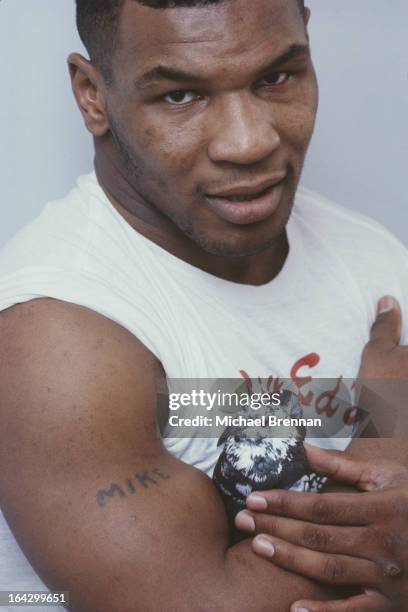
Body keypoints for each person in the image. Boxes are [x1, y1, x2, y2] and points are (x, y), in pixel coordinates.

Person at [0, 0, 407, 610]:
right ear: (92, 95)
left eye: (275, 78)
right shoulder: (55, 337)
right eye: (180, 96)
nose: (249, 142)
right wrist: (389, 434)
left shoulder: (368, 252)